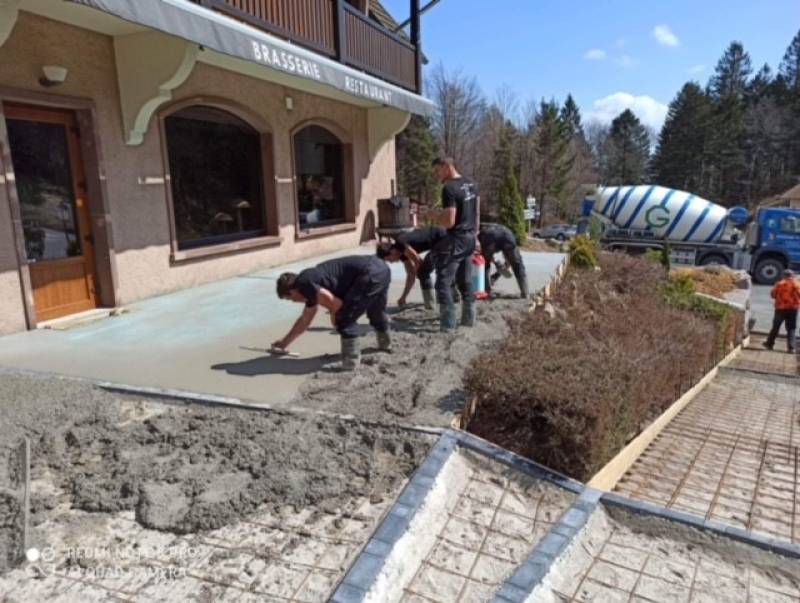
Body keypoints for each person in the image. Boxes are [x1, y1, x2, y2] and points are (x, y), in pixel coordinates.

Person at [273, 255, 391, 369]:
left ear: (292, 291)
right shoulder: (309, 283)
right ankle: (385, 344)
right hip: (381, 268)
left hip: (369, 273)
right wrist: (284, 342)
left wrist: (338, 323)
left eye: (289, 298)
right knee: (376, 310)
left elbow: (336, 305)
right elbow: (305, 320)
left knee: (345, 318)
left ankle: (351, 362)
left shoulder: (304, 284)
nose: (293, 301)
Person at [425, 157, 479, 331]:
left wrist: (433, 215)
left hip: (456, 240)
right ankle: (468, 320)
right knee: (465, 280)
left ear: (446, 167)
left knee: (443, 282)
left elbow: (449, 221)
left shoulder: (449, 188)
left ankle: (448, 325)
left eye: (437, 171)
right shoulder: (471, 184)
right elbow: (476, 212)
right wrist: (476, 236)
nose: (436, 175)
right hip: (470, 238)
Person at [376, 225, 447, 309]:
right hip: (438, 242)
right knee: (423, 272)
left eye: (388, 260)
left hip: (442, 238)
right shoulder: (402, 255)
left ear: (391, 251)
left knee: (423, 272)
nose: (391, 262)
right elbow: (411, 275)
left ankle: (431, 306)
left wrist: (417, 268)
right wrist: (403, 297)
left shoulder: (400, 243)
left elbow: (418, 260)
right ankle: (435, 303)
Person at [478, 223, 529, 299]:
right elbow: (508, 255)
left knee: (485, 263)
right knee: (517, 264)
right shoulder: (491, 228)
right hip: (507, 234)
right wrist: (505, 264)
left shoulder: (479, 233)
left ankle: (487, 291)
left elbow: (484, 254)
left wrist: (496, 262)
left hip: (491, 236)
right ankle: (525, 293)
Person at [763, 269, 800, 353]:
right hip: (793, 309)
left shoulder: (779, 284)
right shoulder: (797, 284)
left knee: (775, 327)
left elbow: (773, 295)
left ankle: (769, 344)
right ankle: (791, 348)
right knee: (791, 328)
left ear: (784, 275)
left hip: (780, 308)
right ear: (792, 276)